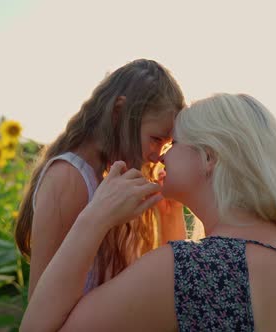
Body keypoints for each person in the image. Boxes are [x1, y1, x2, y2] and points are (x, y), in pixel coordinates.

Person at [20, 93, 276, 331]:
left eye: (175, 143)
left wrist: (94, 218)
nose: (162, 157)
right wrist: (174, 217)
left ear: (208, 158)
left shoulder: (188, 269)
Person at [14, 59, 188, 299]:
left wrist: (170, 213)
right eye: (155, 139)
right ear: (119, 113)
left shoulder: (113, 177)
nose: (158, 155)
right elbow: (41, 304)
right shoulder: (69, 178)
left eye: (167, 144)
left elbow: (167, 281)